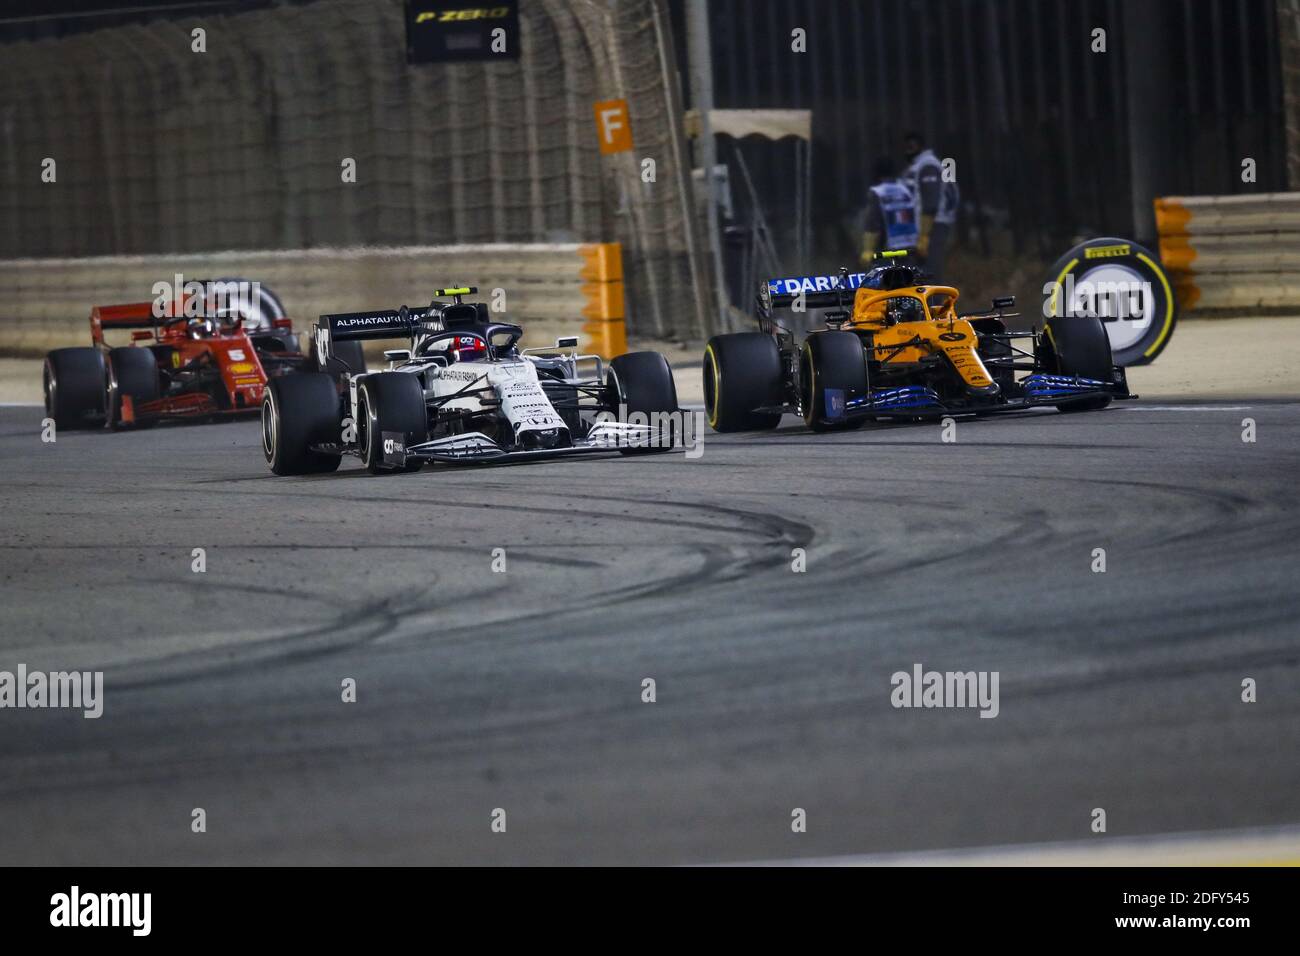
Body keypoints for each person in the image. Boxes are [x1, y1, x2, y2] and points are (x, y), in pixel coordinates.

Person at [901, 132, 959, 281]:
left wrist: (924, 235)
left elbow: (931, 201)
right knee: (924, 269)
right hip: (931, 222)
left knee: (929, 269)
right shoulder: (923, 165)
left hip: (933, 223)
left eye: (911, 146)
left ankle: (934, 303)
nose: (908, 150)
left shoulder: (927, 165)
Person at [859, 157, 919, 265]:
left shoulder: (877, 192)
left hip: (888, 250)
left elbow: (873, 224)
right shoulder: (905, 189)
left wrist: (868, 250)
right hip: (910, 247)